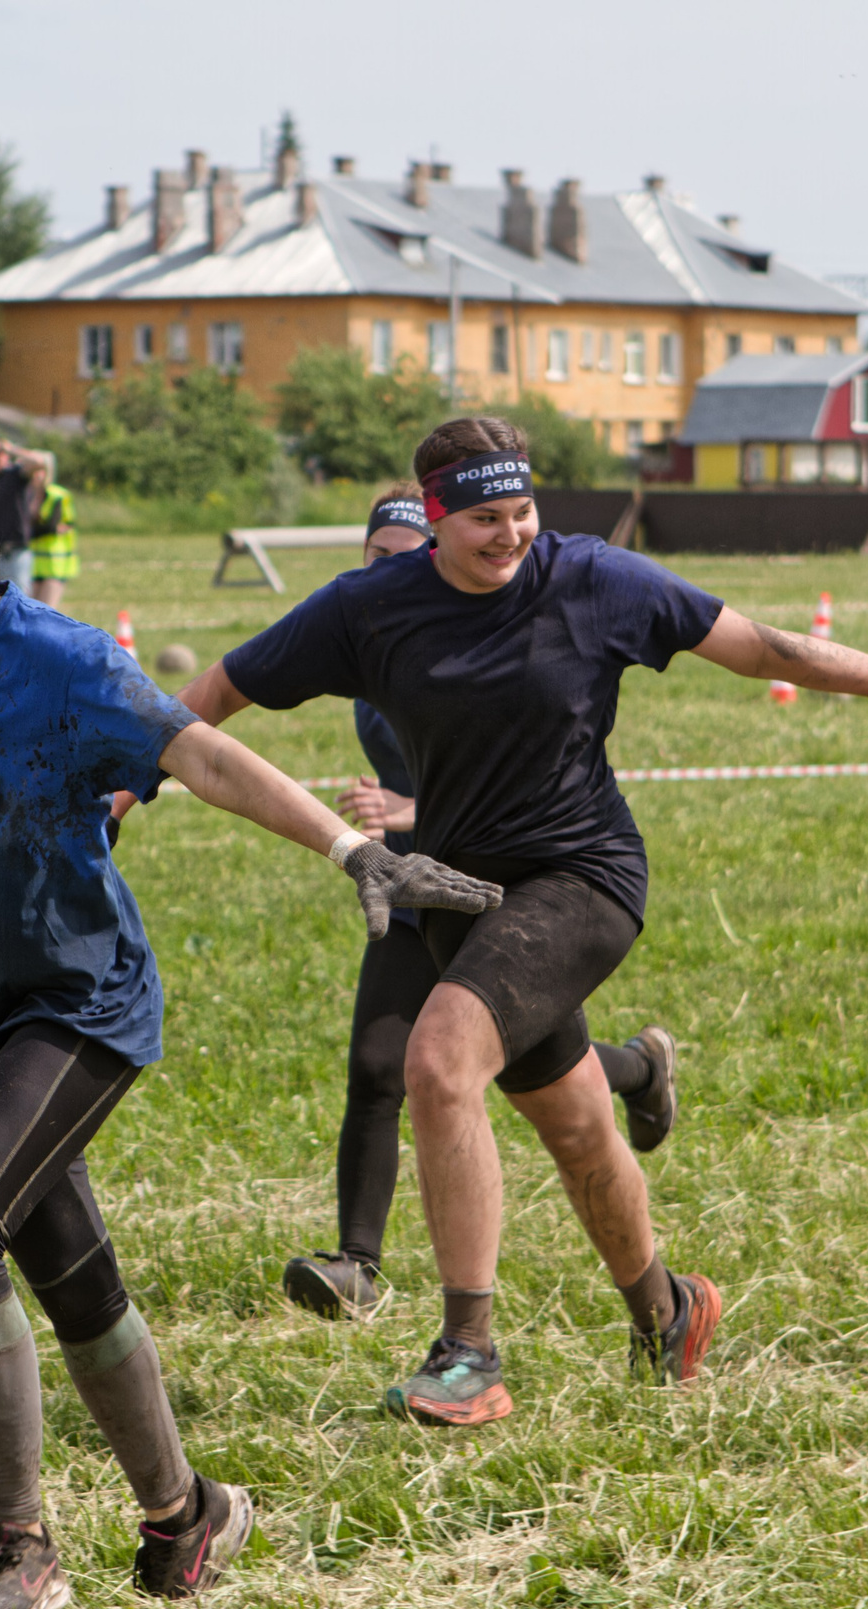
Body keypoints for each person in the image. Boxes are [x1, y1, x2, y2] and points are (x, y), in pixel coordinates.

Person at [172, 416, 868, 1426]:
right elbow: (221, 691)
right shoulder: (370, 608)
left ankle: (468, 1354)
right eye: (485, 518)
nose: (510, 535)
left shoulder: (596, 581)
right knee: (576, 1127)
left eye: (523, 511)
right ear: (434, 519)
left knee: (439, 1061)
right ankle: (667, 1310)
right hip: (461, 893)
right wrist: (128, 779)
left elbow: (754, 647)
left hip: (583, 878)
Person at [0, 436, 497, 1609]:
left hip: (75, 1000)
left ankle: (17, 1544)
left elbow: (205, 754)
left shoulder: (63, 660)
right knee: (71, 1279)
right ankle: (187, 1512)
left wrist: (353, 851)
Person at [278, 487, 682, 1323]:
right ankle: (357, 1262)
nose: (388, 573)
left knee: (484, 1068)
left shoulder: (480, 626)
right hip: (410, 882)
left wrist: (408, 812)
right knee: (381, 1063)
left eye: (404, 555)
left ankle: (639, 1070)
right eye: (374, 559)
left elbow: (518, 780)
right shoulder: (369, 636)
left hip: (501, 882)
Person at [0, 439, 38, 590]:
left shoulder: (15, 475)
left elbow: (39, 462)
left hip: (14, 554)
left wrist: (13, 449)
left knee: (19, 601)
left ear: (4, 454)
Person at [26, 450, 77, 611]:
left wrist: (32, 527)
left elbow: (50, 527)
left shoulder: (58, 496)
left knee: (46, 612)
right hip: (33, 563)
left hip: (55, 564)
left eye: (41, 471)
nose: (37, 476)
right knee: (31, 613)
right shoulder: (26, 495)